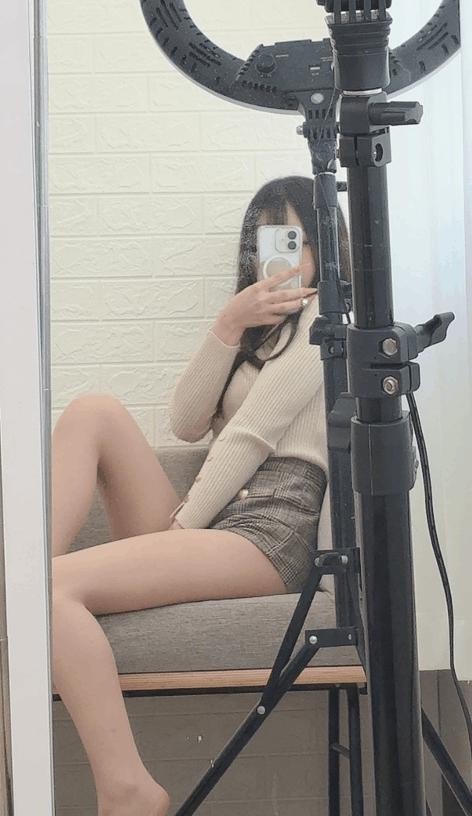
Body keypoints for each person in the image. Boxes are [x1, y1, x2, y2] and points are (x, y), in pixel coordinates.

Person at [52, 175, 350, 816]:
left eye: (296, 239)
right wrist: (227, 325)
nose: (281, 257)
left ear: (325, 247)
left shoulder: (326, 322)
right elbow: (188, 423)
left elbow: (249, 435)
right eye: (267, 240)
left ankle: (129, 791)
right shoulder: (259, 332)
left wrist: (182, 528)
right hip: (222, 518)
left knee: (49, 589)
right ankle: (19, 591)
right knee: (93, 411)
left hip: (270, 527)